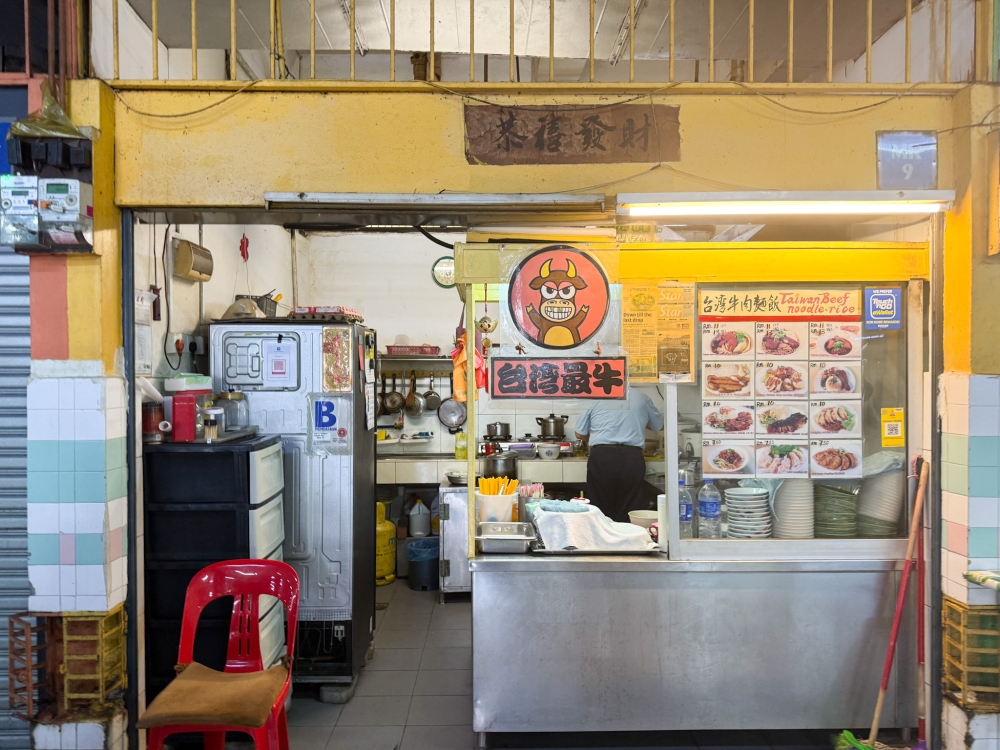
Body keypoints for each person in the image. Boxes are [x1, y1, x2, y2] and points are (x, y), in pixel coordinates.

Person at [573, 389, 664, 522]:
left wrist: (599, 435)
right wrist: (638, 421)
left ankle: (603, 539)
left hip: (602, 457)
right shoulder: (642, 397)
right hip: (631, 457)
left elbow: (579, 434)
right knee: (630, 505)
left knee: (600, 504)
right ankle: (628, 539)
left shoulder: (595, 397)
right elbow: (659, 426)